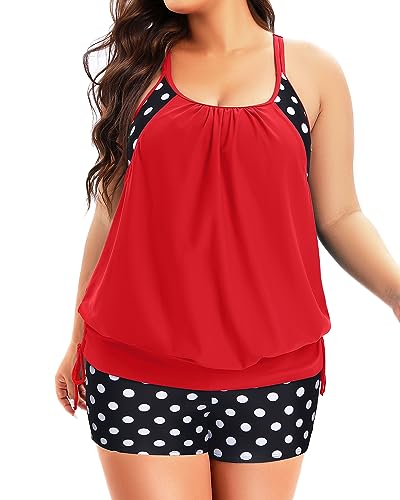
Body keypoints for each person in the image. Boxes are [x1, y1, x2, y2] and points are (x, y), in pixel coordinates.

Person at [54, 1, 400, 499]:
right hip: (136, 366)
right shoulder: (142, 70)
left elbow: (340, 214)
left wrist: (394, 292)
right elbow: (110, 215)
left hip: (275, 372)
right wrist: (76, 339)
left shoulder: (312, 72)